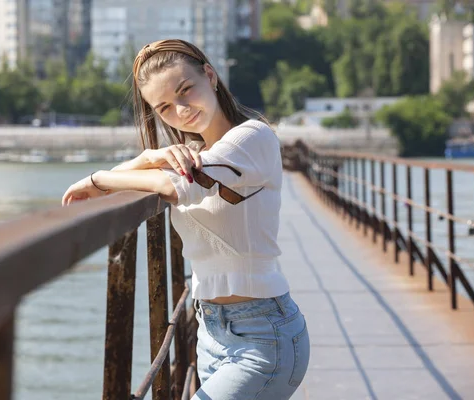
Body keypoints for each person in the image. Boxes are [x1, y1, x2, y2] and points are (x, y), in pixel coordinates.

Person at [61, 39, 310, 399]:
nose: (181, 110)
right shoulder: (195, 155)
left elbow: (177, 188)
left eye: (185, 90)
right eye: (164, 107)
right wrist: (148, 157)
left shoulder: (251, 138)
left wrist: (99, 178)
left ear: (210, 76)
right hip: (210, 334)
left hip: (264, 337)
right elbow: (140, 181)